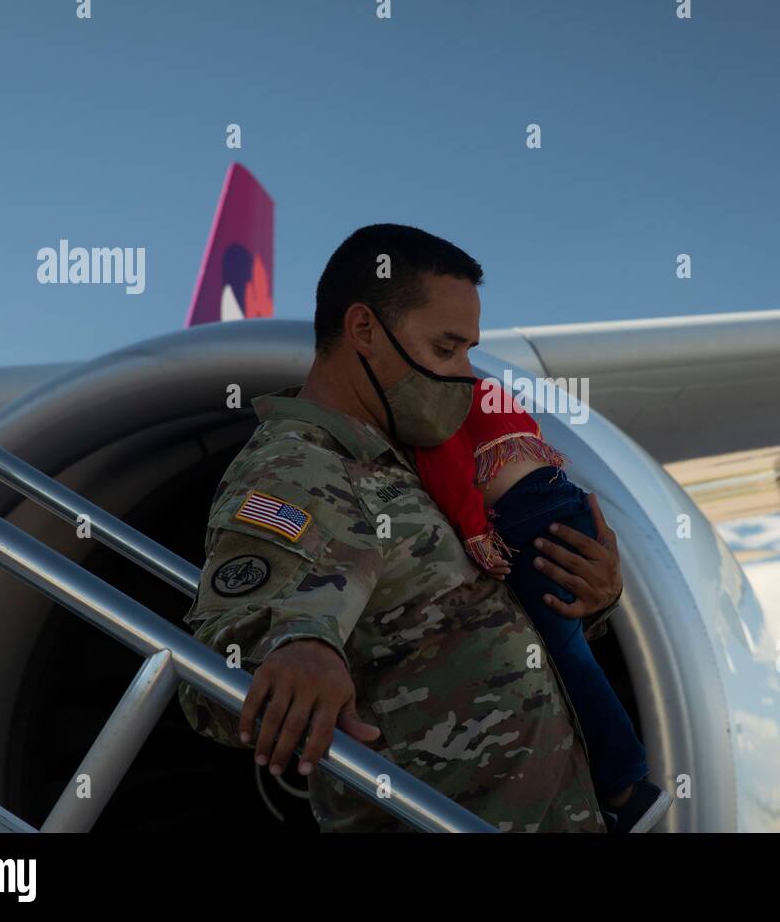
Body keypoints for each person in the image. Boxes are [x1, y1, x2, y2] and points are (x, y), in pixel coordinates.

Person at [176, 223, 627, 832]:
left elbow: (454, 619)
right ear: (364, 330)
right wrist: (297, 649)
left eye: (468, 350)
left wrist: (587, 596)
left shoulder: (420, 459)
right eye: (446, 349)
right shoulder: (303, 467)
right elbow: (224, 657)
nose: (466, 375)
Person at [413, 377, 673, 832]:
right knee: (565, 653)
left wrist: (476, 532)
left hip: (527, 517)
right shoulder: (483, 386)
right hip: (557, 501)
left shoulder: (430, 394)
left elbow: (446, 462)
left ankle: (624, 787)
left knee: (563, 660)